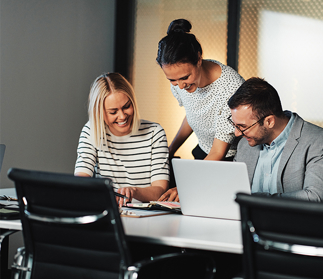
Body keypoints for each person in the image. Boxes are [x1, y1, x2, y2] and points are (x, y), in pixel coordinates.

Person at [156, 19, 245, 201]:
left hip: (228, 161)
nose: (180, 86)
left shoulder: (230, 88)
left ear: (198, 58)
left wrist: (185, 187)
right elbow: (193, 114)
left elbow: (218, 152)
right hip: (202, 154)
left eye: (184, 77)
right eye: (172, 80)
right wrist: (170, 151)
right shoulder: (180, 82)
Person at [229, 77, 323, 201]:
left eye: (243, 127)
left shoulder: (322, 143)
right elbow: (231, 192)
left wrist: (254, 199)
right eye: (235, 125)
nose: (237, 134)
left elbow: (315, 198)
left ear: (269, 121)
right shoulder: (244, 145)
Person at [74, 73, 169, 206]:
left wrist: (134, 191)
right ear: (99, 113)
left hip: (146, 215)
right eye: (113, 112)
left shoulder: (155, 133)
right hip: (108, 210)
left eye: (126, 106)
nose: (122, 116)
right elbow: (81, 181)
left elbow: (160, 191)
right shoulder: (91, 131)